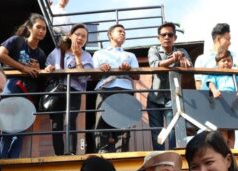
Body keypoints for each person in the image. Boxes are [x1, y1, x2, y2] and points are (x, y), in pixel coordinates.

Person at [0, 13, 48, 159]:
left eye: (44, 29)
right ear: (30, 28)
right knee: (7, 128)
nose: (42, 31)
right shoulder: (17, 41)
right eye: (38, 27)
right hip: (11, 88)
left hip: (28, 95)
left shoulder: (41, 54)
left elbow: (40, 77)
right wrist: (23, 68)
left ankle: (12, 163)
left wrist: (42, 69)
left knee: (20, 133)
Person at [44, 24, 93, 155]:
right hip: (57, 90)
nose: (81, 38)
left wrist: (77, 57)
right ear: (70, 35)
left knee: (70, 120)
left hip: (74, 91)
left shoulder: (87, 55)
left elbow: (84, 77)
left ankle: (70, 152)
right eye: (78, 34)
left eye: (84, 36)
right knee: (56, 123)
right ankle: (59, 154)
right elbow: (47, 66)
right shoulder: (58, 51)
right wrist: (49, 68)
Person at [91, 24, 139, 153]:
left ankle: (121, 152)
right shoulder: (98, 53)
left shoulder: (130, 55)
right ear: (110, 34)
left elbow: (137, 76)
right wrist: (100, 69)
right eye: (119, 31)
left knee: (124, 122)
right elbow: (93, 75)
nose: (123, 34)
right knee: (101, 120)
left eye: (124, 32)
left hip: (125, 89)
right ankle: (102, 151)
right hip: (105, 88)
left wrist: (129, 69)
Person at [147, 22, 192, 150]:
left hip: (173, 98)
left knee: (173, 130)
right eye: (163, 35)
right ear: (159, 38)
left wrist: (183, 60)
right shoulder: (154, 49)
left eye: (170, 35)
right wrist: (174, 60)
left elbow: (189, 65)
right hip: (154, 99)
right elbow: (154, 65)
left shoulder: (181, 51)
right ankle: (160, 158)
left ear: (175, 38)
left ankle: (173, 157)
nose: (167, 37)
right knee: (157, 131)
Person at [193, 23, 238, 90]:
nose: (230, 43)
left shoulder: (232, 55)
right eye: (228, 39)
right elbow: (198, 83)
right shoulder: (201, 59)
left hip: (231, 97)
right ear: (218, 39)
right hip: (209, 98)